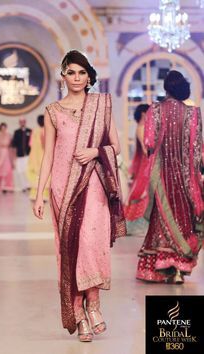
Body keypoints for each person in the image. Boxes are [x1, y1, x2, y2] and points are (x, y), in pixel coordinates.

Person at [33, 50, 126, 341]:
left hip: (95, 184)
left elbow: (116, 145)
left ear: (89, 77)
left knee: (90, 243)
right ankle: (79, 313)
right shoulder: (53, 111)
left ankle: (94, 304)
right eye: (71, 72)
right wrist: (39, 195)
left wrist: (95, 151)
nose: (76, 78)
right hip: (63, 186)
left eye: (81, 73)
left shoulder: (101, 105)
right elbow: (48, 155)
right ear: (63, 76)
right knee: (70, 250)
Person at [136, 70, 204, 284]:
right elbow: (198, 149)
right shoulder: (194, 114)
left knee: (162, 218)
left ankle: (162, 267)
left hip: (162, 177)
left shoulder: (155, 110)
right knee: (184, 219)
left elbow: (149, 142)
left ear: (165, 88)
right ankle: (179, 269)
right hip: (187, 180)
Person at [125, 104, 150, 221]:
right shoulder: (141, 127)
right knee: (143, 188)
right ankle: (138, 216)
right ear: (144, 113)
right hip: (147, 162)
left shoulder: (144, 127)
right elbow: (145, 149)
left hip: (149, 161)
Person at [26, 115, 49, 201]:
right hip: (44, 154)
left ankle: (34, 195)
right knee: (45, 173)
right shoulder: (47, 131)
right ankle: (44, 195)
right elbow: (45, 144)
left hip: (34, 156)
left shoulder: (34, 131)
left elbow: (30, 144)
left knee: (35, 173)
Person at [12, 118, 31, 192]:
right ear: (19, 123)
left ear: (25, 122)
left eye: (23, 121)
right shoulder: (16, 132)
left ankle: (28, 185)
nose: (22, 123)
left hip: (28, 155)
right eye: (21, 122)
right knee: (20, 171)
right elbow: (14, 144)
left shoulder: (30, 131)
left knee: (27, 171)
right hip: (19, 155)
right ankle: (23, 186)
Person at [0, 122, 14, 193]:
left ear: (6, 128)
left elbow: (11, 147)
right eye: (2, 128)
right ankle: (1, 187)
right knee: (0, 171)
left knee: (8, 170)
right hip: (0, 154)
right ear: (0, 128)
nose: (3, 129)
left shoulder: (9, 136)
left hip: (7, 154)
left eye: (4, 128)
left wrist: (13, 157)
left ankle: (7, 187)